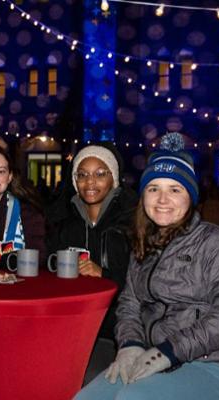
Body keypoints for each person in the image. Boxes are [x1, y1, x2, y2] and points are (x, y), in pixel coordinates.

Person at [75, 133, 219, 400]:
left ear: (190, 196)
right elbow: (129, 303)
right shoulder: (143, 242)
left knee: (133, 398)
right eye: (153, 189)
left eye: (174, 189)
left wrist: (170, 351)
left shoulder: (215, 242)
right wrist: (130, 344)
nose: (162, 199)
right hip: (154, 356)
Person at [49, 143, 137, 381]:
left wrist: (104, 275)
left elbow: (144, 283)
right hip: (72, 326)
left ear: (114, 178)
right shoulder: (63, 221)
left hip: (116, 332)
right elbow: (47, 266)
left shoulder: (132, 224)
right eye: (82, 174)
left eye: (100, 174)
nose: (90, 182)